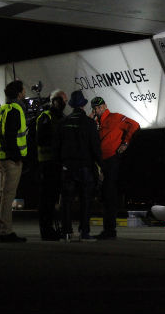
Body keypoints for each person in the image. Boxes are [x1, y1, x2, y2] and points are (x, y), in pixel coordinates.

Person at [54, 90, 103, 240]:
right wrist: (101, 166)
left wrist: (59, 164)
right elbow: (95, 147)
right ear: (83, 105)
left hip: (67, 167)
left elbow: (57, 146)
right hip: (85, 167)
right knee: (85, 200)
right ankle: (84, 231)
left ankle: (67, 231)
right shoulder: (89, 123)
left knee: (67, 200)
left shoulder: (63, 122)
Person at [91, 96, 139, 240]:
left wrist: (126, 143)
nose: (97, 110)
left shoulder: (115, 117)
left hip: (111, 161)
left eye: (99, 107)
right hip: (100, 162)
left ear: (105, 106)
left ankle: (110, 230)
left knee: (109, 195)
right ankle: (108, 229)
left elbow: (134, 125)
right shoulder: (95, 122)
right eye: (95, 108)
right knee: (104, 196)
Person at [0, 80, 28, 243]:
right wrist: (16, 156)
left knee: (2, 194)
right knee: (8, 196)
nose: (25, 93)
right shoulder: (15, 109)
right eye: (23, 90)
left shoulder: (3, 109)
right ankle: (5, 231)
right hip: (10, 160)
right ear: (19, 93)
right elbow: (11, 135)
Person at [36, 89, 67, 241]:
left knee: (54, 198)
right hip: (47, 163)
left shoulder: (62, 117)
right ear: (54, 101)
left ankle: (53, 229)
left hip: (57, 163)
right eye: (62, 100)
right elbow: (40, 139)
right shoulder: (45, 117)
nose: (65, 104)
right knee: (46, 199)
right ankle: (46, 230)